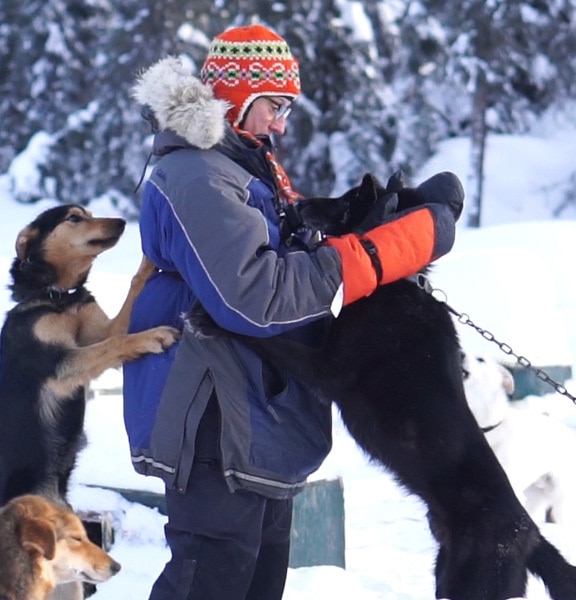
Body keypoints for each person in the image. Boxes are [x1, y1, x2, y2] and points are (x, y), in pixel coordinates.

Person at [124, 23, 456, 600]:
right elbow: (255, 297)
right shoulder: (197, 175)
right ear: (235, 98)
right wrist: (387, 249)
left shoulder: (241, 168)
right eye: (274, 106)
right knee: (210, 581)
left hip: (255, 414)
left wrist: (368, 219)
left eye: (286, 109)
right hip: (215, 423)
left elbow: (290, 244)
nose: (281, 123)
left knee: (256, 583)